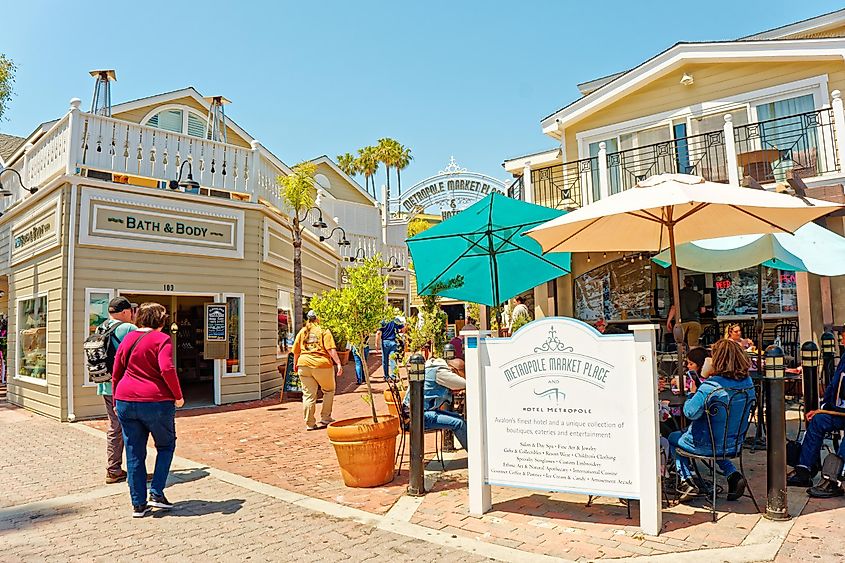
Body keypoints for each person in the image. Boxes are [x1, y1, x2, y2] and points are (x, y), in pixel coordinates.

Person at [112, 302, 184, 518]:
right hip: (156, 401)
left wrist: (115, 399)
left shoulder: (128, 338)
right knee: (166, 445)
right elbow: (167, 368)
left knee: (134, 451)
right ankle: (157, 492)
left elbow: (117, 371)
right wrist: (178, 395)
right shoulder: (162, 339)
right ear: (160, 320)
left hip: (125, 399)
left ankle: (138, 503)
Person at [668, 339, 754, 502]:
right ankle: (733, 475)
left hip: (706, 444)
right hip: (734, 443)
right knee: (716, 437)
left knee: (674, 437)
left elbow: (690, 412)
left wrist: (693, 393)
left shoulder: (711, 386)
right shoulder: (747, 382)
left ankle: (686, 481)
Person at [787, 341, 845, 497]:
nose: (841, 341)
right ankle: (804, 468)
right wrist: (823, 408)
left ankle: (835, 477)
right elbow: (834, 386)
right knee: (818, 420)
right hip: (840, 412)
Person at [98, 297, 138, 484]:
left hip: (105, 385)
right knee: (132, 428)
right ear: (125, 312)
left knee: (115, 426)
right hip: (125, 387)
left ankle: (114, 468)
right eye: (131, 311)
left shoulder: (101, 328)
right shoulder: (129, 328)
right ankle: (132, 471)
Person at [292, 310, 343, 431]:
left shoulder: (303, 331)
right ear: (318, 318)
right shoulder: (324, 330)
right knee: (329, 390)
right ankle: (326, 417)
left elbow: (296, 351)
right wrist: (338, 363)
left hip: (304, 364)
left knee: (308, 395)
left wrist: (295, 364)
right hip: (321, 365)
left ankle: (309, 423)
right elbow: (330, 349)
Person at [403, 357, 468, 451]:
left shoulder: (433, 368)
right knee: (458, 423)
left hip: (417, 412)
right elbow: (466, 384)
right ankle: (475, 455)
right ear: (454, 370)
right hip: (416, 416)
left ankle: (473, 451)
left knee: (459, 418)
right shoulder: (440, 372)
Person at [667, 277, 705, 349]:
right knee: (693, 346)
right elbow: (703, 310)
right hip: (695, 322)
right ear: (693, 284)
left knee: (681, 346)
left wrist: (668, 321)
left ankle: (683, 355)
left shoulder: (678, 294)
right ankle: (692, 356)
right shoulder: (698, 295)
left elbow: (673, 308)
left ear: (684, 283)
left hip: (681, 323)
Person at [376, 315, 405, 381]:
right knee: (393, 359)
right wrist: (399, 333)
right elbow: (403, 328)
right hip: (393, 341)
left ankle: (386, 376)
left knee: (385, 359)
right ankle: (393, 376)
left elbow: (378, 333)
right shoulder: (396, 320)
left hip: (385, 342)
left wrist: (376, 343)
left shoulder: (383, 321)